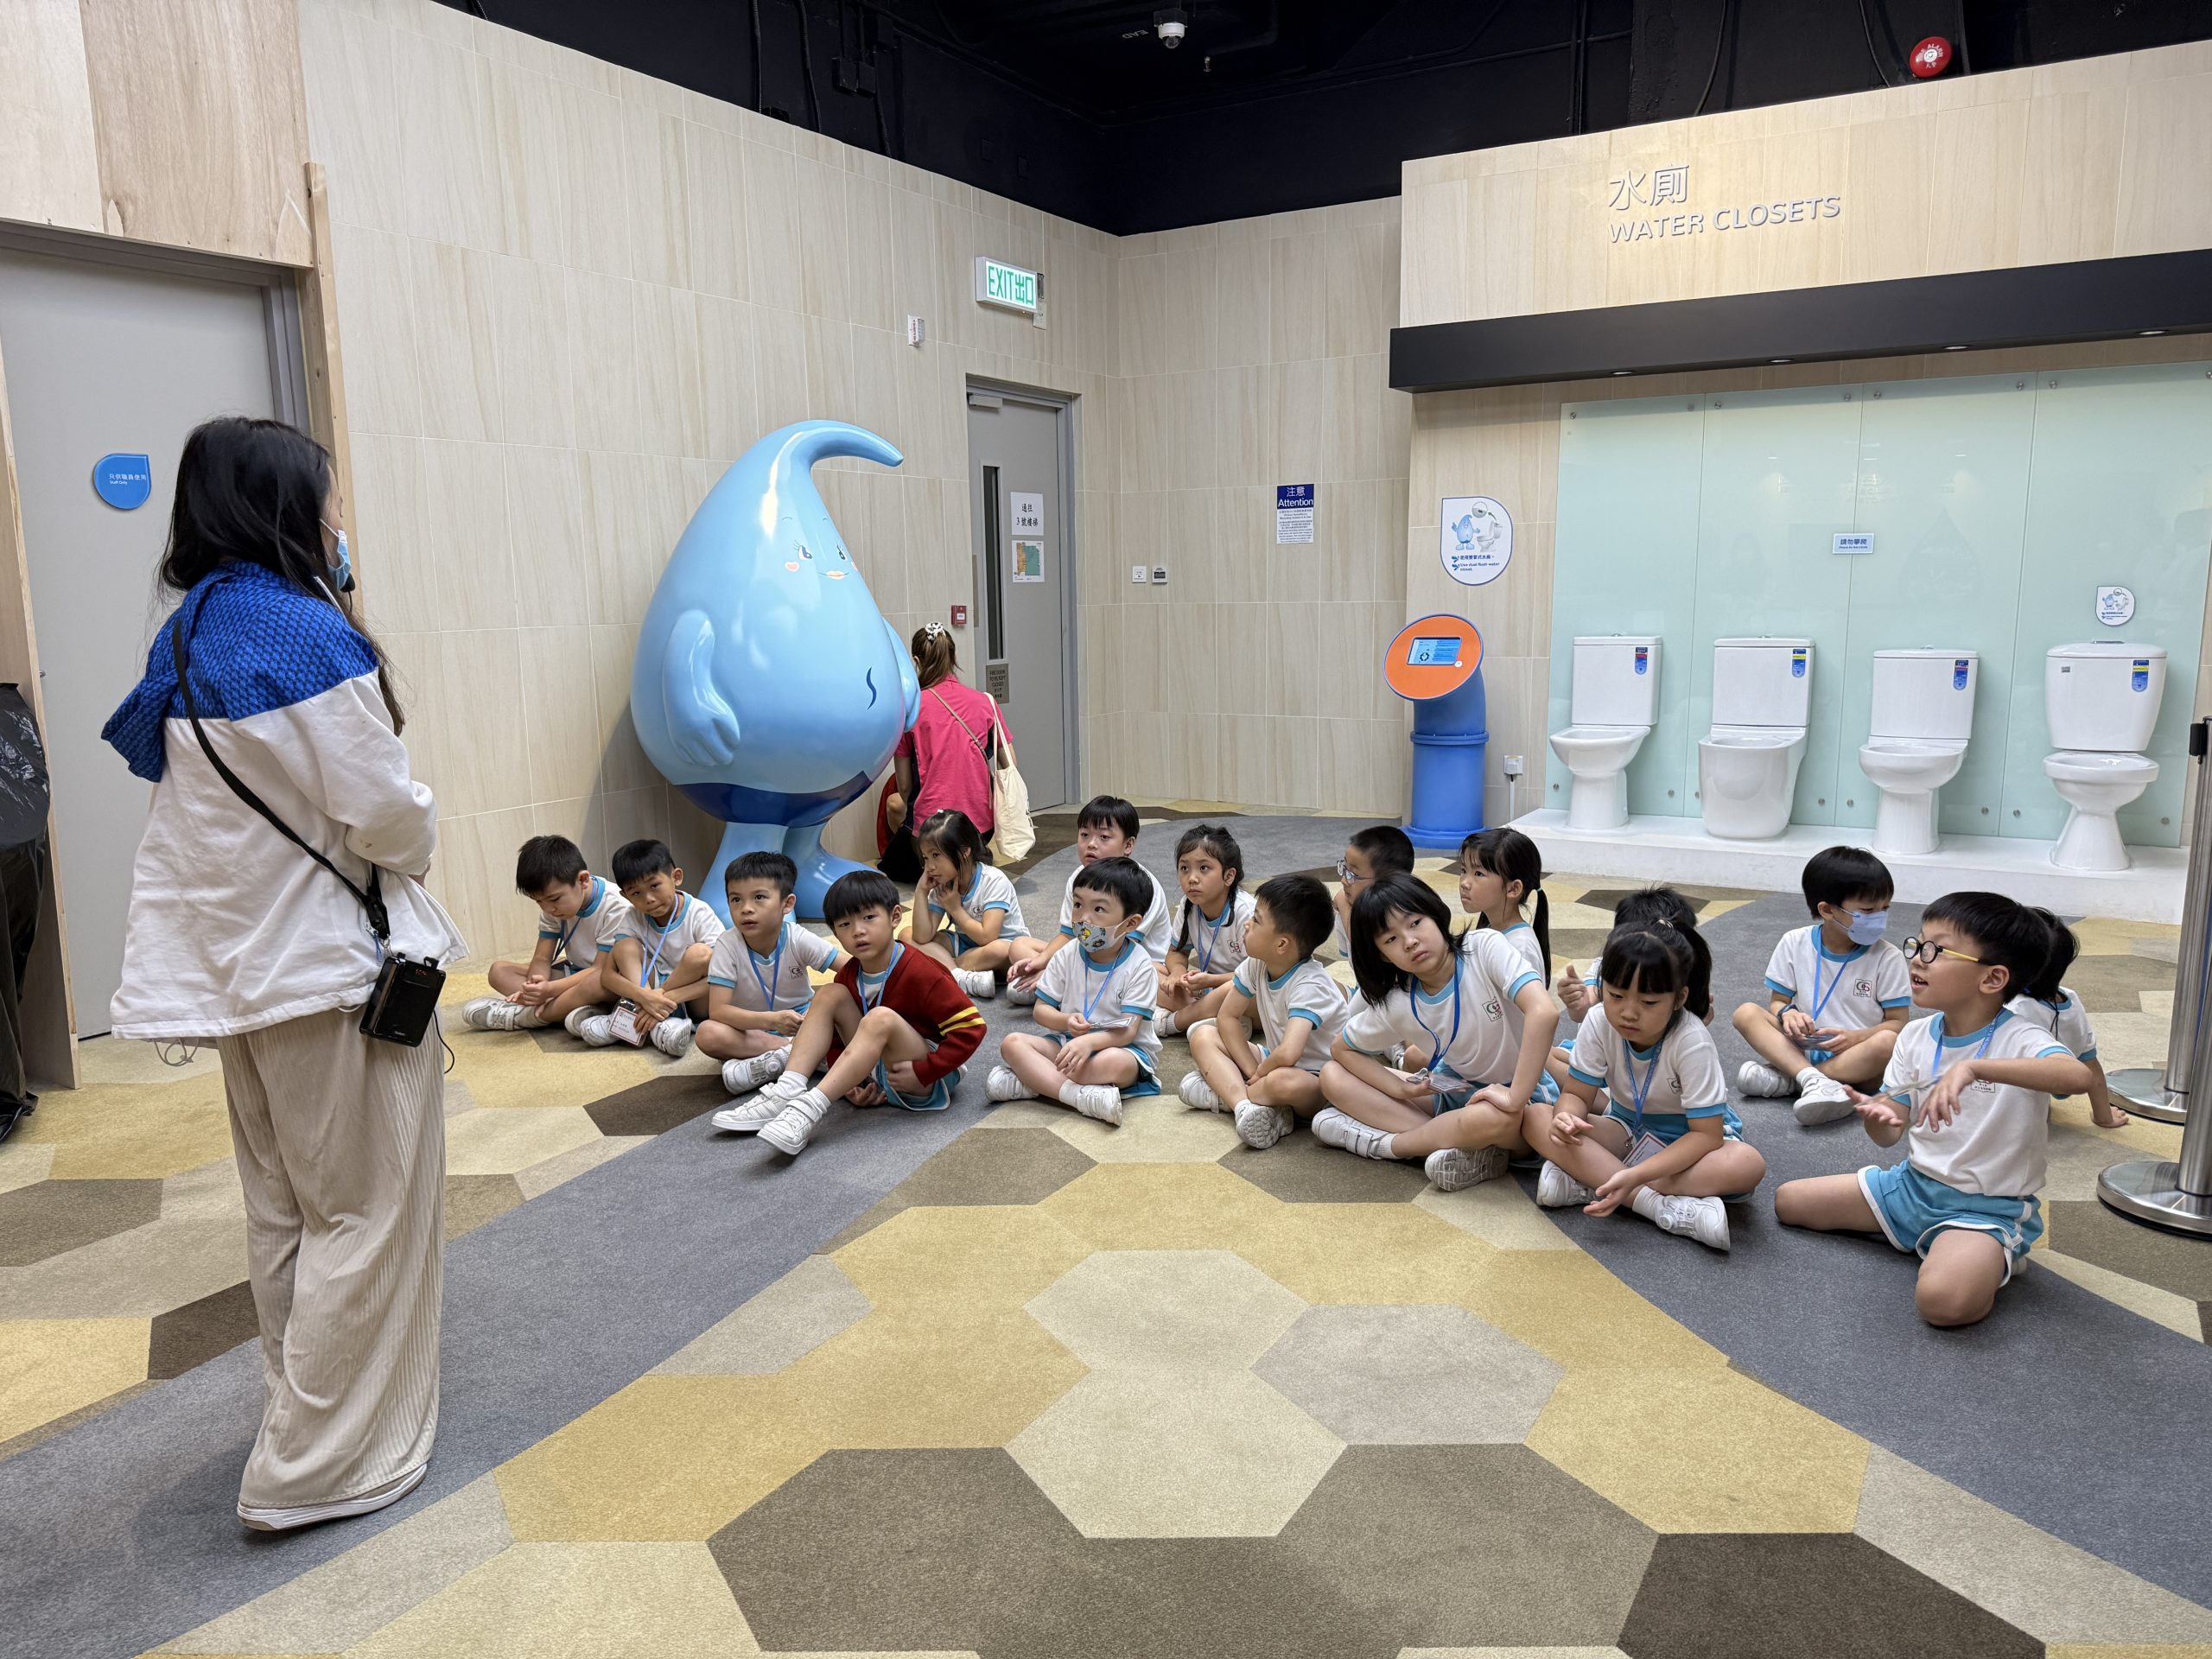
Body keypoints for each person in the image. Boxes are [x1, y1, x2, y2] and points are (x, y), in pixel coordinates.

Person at [100, 416, 464, 1530]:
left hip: (241, 979)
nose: (335, 518)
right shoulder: (304, 633)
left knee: (287, 1213)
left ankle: (297, 1420)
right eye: (325, 496)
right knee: (364, 1212)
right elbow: (386, 816)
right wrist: (421, 823)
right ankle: (318, 1467)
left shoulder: (188, 636)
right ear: (281, 504)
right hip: (328, 978)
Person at [1776, 894, 2093, 1326]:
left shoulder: (2022, 1037)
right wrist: (1879, 1118)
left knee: (1942, 1304)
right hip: (1911, 1187)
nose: (1917, 959)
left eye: (1937, 951)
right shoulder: (1915, 1035)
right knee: (1789, 1202)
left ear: (1993, 978)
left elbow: (2077, 1076)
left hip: (1984, 1210)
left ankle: (1987, 1249)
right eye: (1918, 944)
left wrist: (1975, 1068)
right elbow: (1889, 1132)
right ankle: (1933, 1241)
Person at [1528, 926, 1767, 1251]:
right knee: (1538, 1118)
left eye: (1649, 1002)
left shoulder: (1692, 1040)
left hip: (1689, 1146)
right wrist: (1566, 1117)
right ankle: (1654, 1205)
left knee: (1747, 1164)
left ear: (1679, 998)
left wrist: (1636, 1174)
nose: (1628, 1012)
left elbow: (1706, 1136)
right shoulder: (1598, 1021)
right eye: (1616, 996)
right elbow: (1576, 1095)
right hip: (1626, 1130)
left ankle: (1597, 1180)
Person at [1313, 874, 1557, 1192]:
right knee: (1332, 1075)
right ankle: (1458, 1144)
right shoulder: (1400, 1000)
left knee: (1492, 1118)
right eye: (1390, 939)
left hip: (1519, 1102)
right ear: (1382, 955)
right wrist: (1399, 1089)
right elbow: (1341, 1049)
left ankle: (1388, 1145)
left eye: (1415, 923)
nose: (1409, 941)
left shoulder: (1483, 947)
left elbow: (1544, 1012)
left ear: (1435, 913)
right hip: (1455, 1092)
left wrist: (1514, 1097)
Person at [725, 871, 986, 1154]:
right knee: (829, 994)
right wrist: (851, 1086)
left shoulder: (922, 971)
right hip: (877, 1073)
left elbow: (973, 1027)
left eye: (868, 918)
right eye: (845, 924)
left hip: (920, 1076)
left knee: (880, 1017)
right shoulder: (850, 973)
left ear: (895, 917)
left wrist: (925, 1071)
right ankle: (787, 1090)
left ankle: (808, 1109)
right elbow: (836, 1038)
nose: (857, 931)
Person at [1733, 846, 1910, 1125]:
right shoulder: (1794, 942)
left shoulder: (1888, 957)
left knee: (1888, 1042)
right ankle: (1811, 1079)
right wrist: (1788, 1013)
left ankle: (1794, 1079)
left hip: (1857, 1059)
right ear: (1827, 910)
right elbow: (1778, 1002)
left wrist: (1856, 1038)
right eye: (1867, 910)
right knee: (1746, 1013)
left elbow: (1898, 1023)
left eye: (1885, 908)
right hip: (1802, 1047)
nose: (1879, 917)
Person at [988, 856, 1163, 1126]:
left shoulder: (1140, 965)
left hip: (1121, 1047)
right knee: (1012, 1043)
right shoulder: (1067, 953)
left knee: (1115, 1062)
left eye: (1099, 909)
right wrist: (1066, 1021)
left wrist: (1090, 1042)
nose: (1084, 918)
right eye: (1078, 905)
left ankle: (1035, 1080)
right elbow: (1041, 1011)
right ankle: (1078, 1096)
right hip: (1068, 1043)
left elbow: (1128, 1031)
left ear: (1130, 923)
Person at [1179, 874, 1344, 1149]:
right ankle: (1245, 1106)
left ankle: (1227, 1092)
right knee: (1203, 1035)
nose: (1247, 923)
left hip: (1319, 1082)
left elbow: (1289, 1054)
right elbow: (1227, 1017)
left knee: (1283, 1081)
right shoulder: (1256, 964)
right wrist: (1252, 1069)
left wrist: (1259, 1075)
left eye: (1256, 920)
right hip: (1273, 1062)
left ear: (1281, 944)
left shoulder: (1310, 984)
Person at [701, 851, 842, 1105]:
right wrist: (772, 1020)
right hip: (750, 1028)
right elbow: (719, 1011)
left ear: (787, 904)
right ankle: (799, 1052)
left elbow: (849, 968)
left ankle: (776, 1060)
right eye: (736, 899)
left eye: (759, 897)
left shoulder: (797, 937)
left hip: (802, 1022)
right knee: (707, 1034)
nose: (746, 908)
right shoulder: (727, 945)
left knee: (839, 1001)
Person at [1006, 796, 1173, 1001]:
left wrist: (1055, 971)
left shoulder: (1142, 885)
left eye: (1104, 837)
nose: (1091, 844)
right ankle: (1066, 988)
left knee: (1167, 989)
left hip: (1131, 961)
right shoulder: (1079, 877)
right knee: (1020, 946)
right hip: (1088, 949)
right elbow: (1068, 935)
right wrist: (1042, 961)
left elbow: (1115, 948)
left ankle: (1060, 989)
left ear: (1128, 845)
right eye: (1085, 835)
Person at [459, 835, 629, 1032]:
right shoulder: (553, 906)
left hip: (607, 979)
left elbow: (599, 969)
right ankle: (572, 1008)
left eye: (554, 899)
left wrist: (551, 990)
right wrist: (535, 986)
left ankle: (526, 1017)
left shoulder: (616, 907)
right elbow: (541, 958)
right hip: (574, 973)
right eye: (539, 902)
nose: (548, 909)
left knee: (594, 984)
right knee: (499, 971)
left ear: (583, 880)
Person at [569, 838, 722, 1054]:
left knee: (700, 954)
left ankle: (634, 1020)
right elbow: (608, 976)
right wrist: (644, 997)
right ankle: (655, 1025)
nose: (648, 899)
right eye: (636, 893)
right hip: (648, 993)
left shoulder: (699, 913)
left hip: (693, 999)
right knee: (625, 947)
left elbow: (725, 977)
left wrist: (662, 999)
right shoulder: (632, 916)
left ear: (676, 877)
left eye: (654, 886)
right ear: (625, 896)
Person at [882, 623, 1013, 875]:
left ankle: (932, 866)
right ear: (953, 657)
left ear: (917, 661)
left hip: (931, 829)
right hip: (981, 828)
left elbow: (905, 786)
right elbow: (1010, 764)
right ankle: (966, 863)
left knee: (895, 821)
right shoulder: (985, 702)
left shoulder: (911, 709)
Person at [2007, 906, 2128, 1128]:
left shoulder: (2013, 1008)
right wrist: (2104, 1116)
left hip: (2021, 1089)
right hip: (2065, 1075)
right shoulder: (2070, 999)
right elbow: (2091, 1064)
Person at [906, 807, 1029, 1000]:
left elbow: (987, 937)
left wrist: (955, 909)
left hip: (1003, 948)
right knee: (907, 936)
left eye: (936, 855)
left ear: (964, 852)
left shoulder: (993, 880)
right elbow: (922, 937)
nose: (929, 867)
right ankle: (960, 976)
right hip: (966, 945)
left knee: (1000, 949)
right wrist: (921, 891)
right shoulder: (943, 884)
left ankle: (947, 969)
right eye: (926, 858)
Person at [1156, 823, 1255, 1037]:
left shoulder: (1245, 912)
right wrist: (1178, 972)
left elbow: (1260, 974)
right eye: (1184, 868)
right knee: (1147, 968)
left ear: (1228, 876)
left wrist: (1212, 980)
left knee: (1237, 990)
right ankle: (1222, 1021)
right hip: (1205, 989)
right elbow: (1176, 952)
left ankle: (1173, 1022)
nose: (1192, 878)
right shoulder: (1189, 905)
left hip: (1241, 988)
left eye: (1203, 868)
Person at [1459, 826, 1551, 980]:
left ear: (1513, 888)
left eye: (1478, 874)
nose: (1464, 883)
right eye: (1463, 870)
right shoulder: (1490, 930)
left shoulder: (1520, 948)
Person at [1330, 823, 1414, 958]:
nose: (1343, 880)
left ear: (1388, 882)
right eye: (1345, 868)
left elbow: (1363, 946)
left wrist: (1342, 901)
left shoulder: (1406, 915)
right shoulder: (1345, 914)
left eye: (1353, 874)